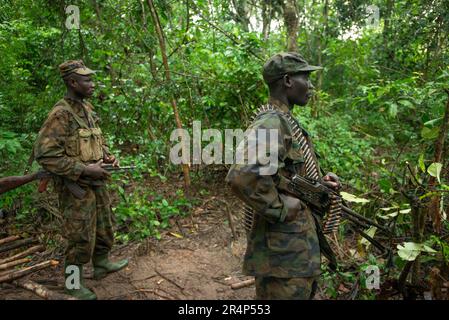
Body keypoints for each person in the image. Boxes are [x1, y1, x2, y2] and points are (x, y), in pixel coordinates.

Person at [226, 52, 341, 300]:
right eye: (306, 78)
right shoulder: (272, 122)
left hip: (295, 254)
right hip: (283, 258)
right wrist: (279, 207)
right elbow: (242, 175)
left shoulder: (285, 122)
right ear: (288, 81)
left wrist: (318, 184)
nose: (310, 86)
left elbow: (283, 176)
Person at [33, 60, 128, 300]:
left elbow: (95, 140)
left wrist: (107, 156)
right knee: (79, 236)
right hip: (75, 186)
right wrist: (83, 170)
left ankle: (101, 264)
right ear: (72, 82)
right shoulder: (60, 114)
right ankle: (73, 283)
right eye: (87, 80)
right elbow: (45, 154)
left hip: (96, 182)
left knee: (104, 226)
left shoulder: (86, 109)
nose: (92, 84)